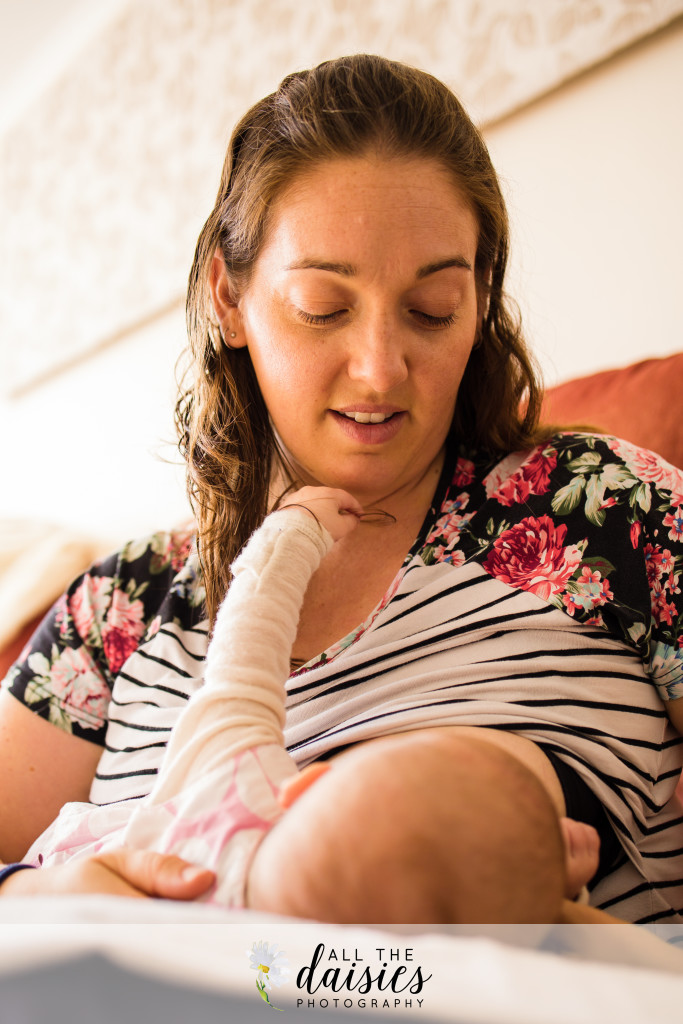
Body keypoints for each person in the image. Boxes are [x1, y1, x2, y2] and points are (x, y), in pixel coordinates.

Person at [1, 54, 682, 923]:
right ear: (228, 297)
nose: (379, 369)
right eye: (323, 306)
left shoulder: (604, 509)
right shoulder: (118, 609)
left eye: (432, 308)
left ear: (480, 300)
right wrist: (31, 891)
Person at [14, 488, 599, 922]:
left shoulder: (231, 788)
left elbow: (248, 639)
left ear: (303, 785)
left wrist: (293, 532)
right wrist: (540, 881)